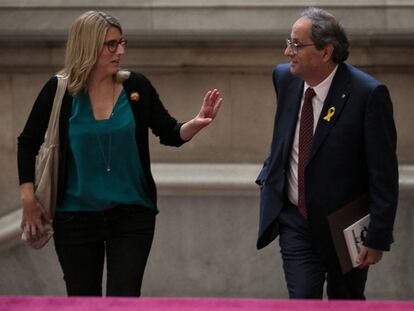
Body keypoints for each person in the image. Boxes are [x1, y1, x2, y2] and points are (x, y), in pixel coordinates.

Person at [17, 10, 222, 297]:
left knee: (124, 299)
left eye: (122, 42)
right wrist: (28, 198)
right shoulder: (59, 91)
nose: (120, 51)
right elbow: (27, 142)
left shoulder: (136, 86)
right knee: (82, 300)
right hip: (75, 218)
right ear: (88, 46)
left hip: (132, 216)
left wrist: (195, 124)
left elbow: (170, 133)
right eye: (111, 45)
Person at [256, 7, 398, 299]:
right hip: (295, 221)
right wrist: (270, 172)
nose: (286, 52)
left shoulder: (367, 94)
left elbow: (383, 173)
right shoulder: (284, 79)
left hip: (345, 226)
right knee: (303, 299)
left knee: (346, 302)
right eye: (288, 42)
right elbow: (285, 136)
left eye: (296, 44)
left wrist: (378, 236)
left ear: (325, 52)